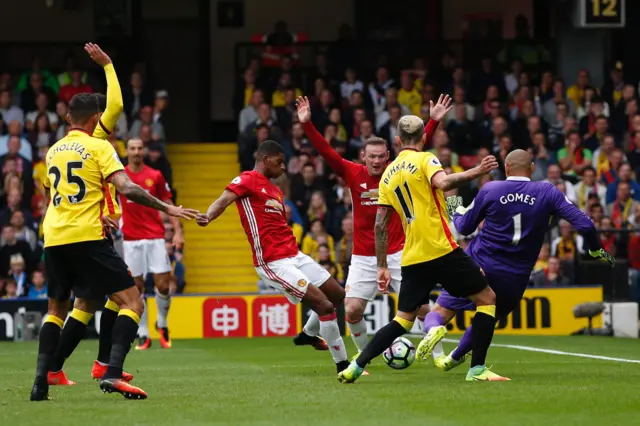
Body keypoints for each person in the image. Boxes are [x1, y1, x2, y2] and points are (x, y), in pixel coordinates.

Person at [29, 43, 198, 402]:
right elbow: (126, 185)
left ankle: (45, 377)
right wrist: (108, 65)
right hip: (88, 234)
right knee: (132, 302)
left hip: (54, 235)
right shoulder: (99, 144)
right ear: (95, 120)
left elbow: (47, 192)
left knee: (65, 307)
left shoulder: (52, 150)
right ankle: (112, 370)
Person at [339, 114, 504, 384]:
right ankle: (477, 369)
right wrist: (478, 171)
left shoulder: (387, 176)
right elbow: (444, 184)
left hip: (411, 255)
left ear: (396, 141)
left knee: (403, 320)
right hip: (441, 249)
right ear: (425, 138)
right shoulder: (426, 159)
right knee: (487, 299)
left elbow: (379, 225)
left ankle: (355, 366)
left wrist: (382, 265)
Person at [422, 150, 614, 373]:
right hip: (514, 276)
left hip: (478, 265)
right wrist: (594, 249)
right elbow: (586, 225)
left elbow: (464, 227)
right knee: (487, 318)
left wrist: (455, 208)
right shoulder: (547, 191)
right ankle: (454, 358)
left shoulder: (491, 189)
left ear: (506, 168)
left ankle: (434, 328)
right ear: (532, 168)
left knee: (441, 311)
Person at [296, 95, 446, 358]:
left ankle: (439, 356)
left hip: (402, 252)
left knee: (422, 308)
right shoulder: (353, 173)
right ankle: (365, 356)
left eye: (381, 157)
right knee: (352, 310)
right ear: (363, 156)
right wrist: (307, 125)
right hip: (364, 256)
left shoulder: (398, 169)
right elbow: (326, 152)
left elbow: (417, 147)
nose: (376, 161)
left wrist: (432, 121)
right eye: (371, 157)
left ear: (388, 156)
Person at [196, 141, 350, 373]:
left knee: (338, 295)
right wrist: (208, 216)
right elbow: (224, 199)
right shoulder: (247, 179)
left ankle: (308, 334)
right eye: (279, 162)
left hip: (294, 255)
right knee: (325, 306)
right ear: (265, 159)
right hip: (272, 262)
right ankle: (344, 365)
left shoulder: (275, 190)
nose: (283, 167)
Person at [120, 138, 183, 350]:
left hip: (155, 236)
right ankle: (144, 333)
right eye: (133, 148)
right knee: (136, 288)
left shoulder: (154, 175)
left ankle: (163, 324)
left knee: (163, 284)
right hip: (130, 239)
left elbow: (168, 203)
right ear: (127, 151)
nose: (137, 152)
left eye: (139, 148)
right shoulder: (120, 176)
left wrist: (177, 231)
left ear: (143, 151)